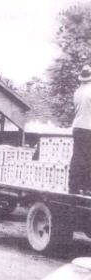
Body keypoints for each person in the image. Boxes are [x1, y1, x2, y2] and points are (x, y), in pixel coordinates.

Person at [69, 64, 91, 195]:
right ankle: (87, 187)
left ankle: (74, 186)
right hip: (89, 128)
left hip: (77, 127)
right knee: (89, 158)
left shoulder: (77, 92)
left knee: (77, 157)